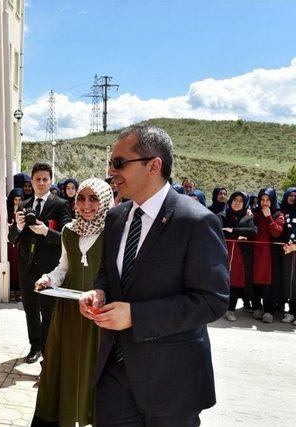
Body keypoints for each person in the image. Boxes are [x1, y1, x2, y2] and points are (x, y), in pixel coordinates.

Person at [78, 125, 229, 426]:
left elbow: (212, 301)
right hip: (113, 376)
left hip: (171, 383)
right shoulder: (116, 217)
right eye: (110, 163)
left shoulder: (196, 221)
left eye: (119, 163)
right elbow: (109, 274)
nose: (111, 171)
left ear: (154, 165)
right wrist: (99, 293)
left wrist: (136, 316)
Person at [32, 178, 114, 427]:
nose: (86, 205)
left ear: (104, 201)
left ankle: (90, 416)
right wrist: (48, 279)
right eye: (81, 198)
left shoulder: (114, 231)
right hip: (69, 310)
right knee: (67, 365)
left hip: (100, 311)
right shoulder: (69, 230)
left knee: (94, 367)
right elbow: (63, 267)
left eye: (93, 198)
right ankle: (68, 416)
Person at [9, 163, 72, 364]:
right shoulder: (24, 205)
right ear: (32, 181)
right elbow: (12, 239)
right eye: (38, 179)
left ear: (51, 181)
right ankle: (34, 346)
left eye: (45, 179)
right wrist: (17, 228)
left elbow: (67, 237)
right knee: (30, 310)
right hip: (26, 266)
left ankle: (48, 352)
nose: (42, 183)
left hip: (49, 268)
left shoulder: (61, 204)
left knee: (48, 313)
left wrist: (47, 232)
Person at [219, 191, 257, 321]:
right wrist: (240, 235)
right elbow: (220, 231)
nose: (237, 203)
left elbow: (253, 231)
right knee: (221, 280)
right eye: (235, 200)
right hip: (223, 252)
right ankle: (218, 307)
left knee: (235, 281)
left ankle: (230, 309)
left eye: (241, 201)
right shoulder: (222, 215)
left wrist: (233, 230)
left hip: (240, 255)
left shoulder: (247, 217)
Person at [251, 188, 284, 323]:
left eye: (268, 200)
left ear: (273, 200)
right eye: (262, 200)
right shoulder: (255, 214)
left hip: (270, 254)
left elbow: (277, 232)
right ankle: (257, 307)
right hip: (256, 252)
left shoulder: (278, 214)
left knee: (268, 281)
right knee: (255, 279)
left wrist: (269, 216)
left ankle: (269, 310)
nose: (264, 203)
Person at [279, 188, 296, 324]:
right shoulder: (289, 214)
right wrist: (287, 245)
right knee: (291, 282)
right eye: (292, 195)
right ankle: (292, 311)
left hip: (293, 249)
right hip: (290, 253)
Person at [7, 188, 24, 301]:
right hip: (10, 243)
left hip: (20, 242)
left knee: (19, 267)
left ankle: (19, 289)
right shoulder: (8, 211)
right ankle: (11, 289)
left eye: (19, 200)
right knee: (11, 266)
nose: (17, 202)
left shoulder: (24, 211)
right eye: (15, 200)